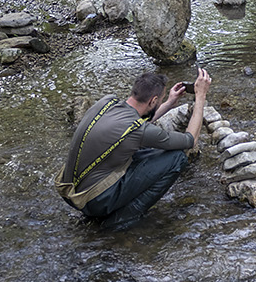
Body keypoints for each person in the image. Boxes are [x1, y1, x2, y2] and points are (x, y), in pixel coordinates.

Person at [57, 70, 211, 231]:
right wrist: (200, 98)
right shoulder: (138, 130)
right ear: (153, 101)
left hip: (70, 191)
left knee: (144, 151)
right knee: (177, 157)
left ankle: (106, 209)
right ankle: (120, 220)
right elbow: (190, 140)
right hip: (92, 201)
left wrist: (169, 103)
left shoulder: (107, 102)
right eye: (160, 100)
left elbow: (134, 124)